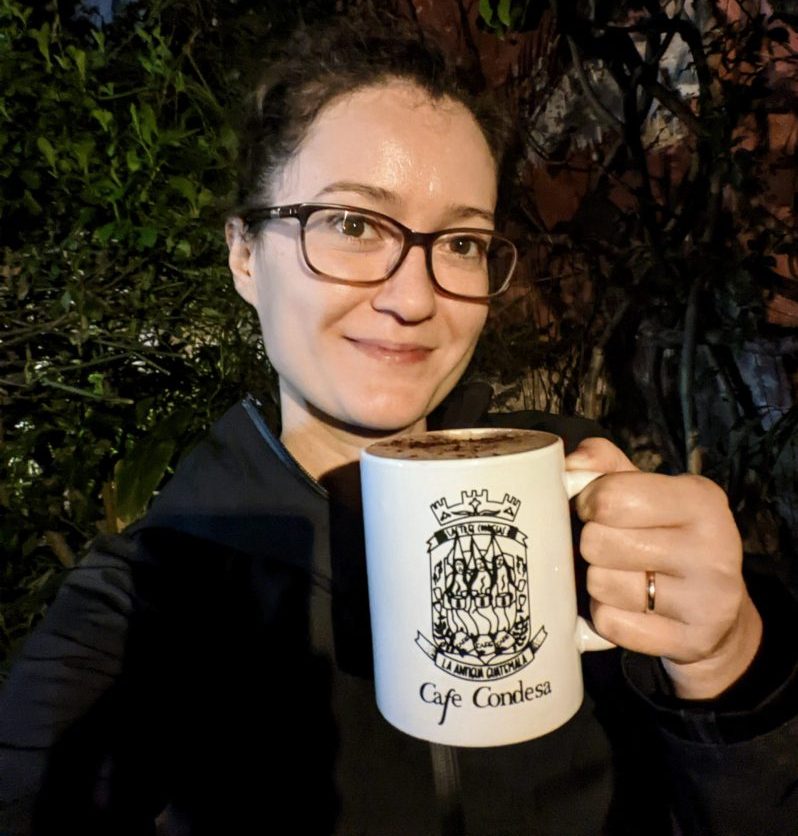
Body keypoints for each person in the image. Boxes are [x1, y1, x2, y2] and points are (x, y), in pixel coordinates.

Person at [1, 14, 797, 836]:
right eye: (351, 224)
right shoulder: (145, 601)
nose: (414, 298)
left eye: (460, 241)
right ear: (244, 253)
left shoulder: (581, 484)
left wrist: (728, 664)